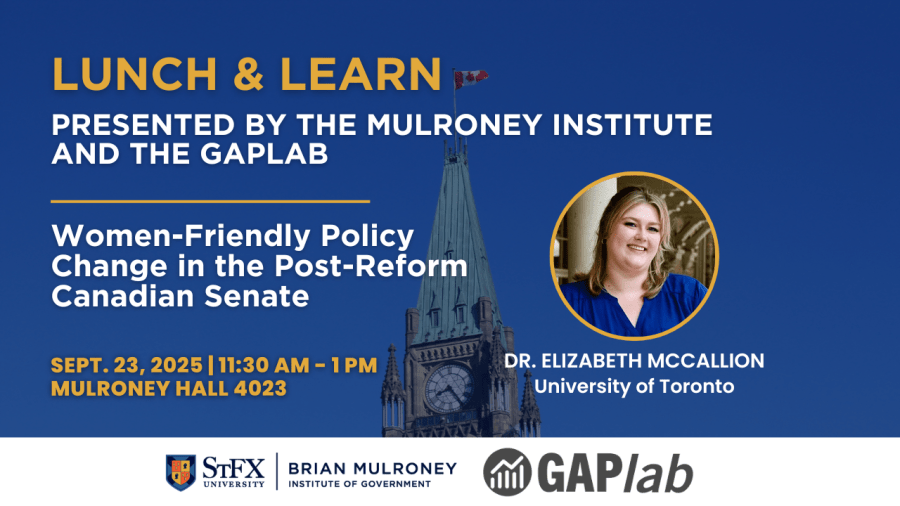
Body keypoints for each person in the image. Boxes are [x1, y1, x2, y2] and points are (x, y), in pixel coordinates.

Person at [561, 186, 707, 337]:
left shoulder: (690, 297)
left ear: (660, 240)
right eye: (631, 224)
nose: (642, 236)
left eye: (653, 229)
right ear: (605, 230)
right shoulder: (568, 303)